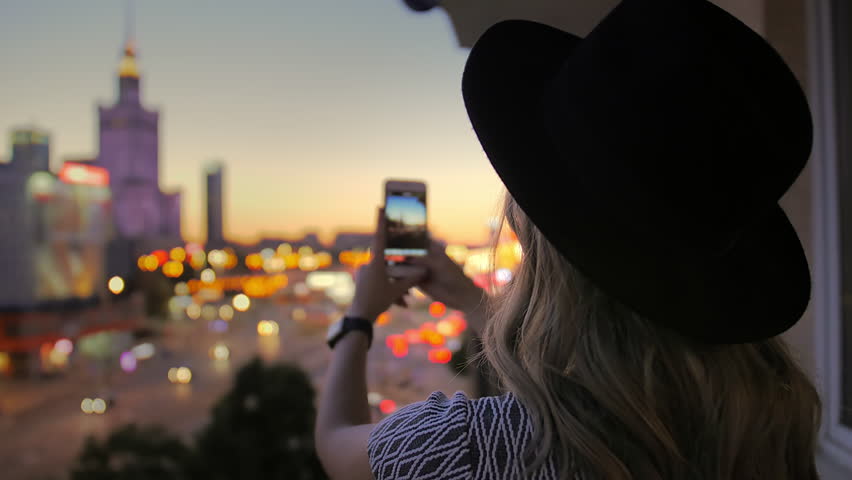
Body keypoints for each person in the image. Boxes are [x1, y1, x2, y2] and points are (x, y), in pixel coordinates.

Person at [315, 0, 822, 478]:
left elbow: (336, 445)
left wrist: (358, 318)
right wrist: (468, 298)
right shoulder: (772, 420)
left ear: (535, 236)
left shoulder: (473, 446)